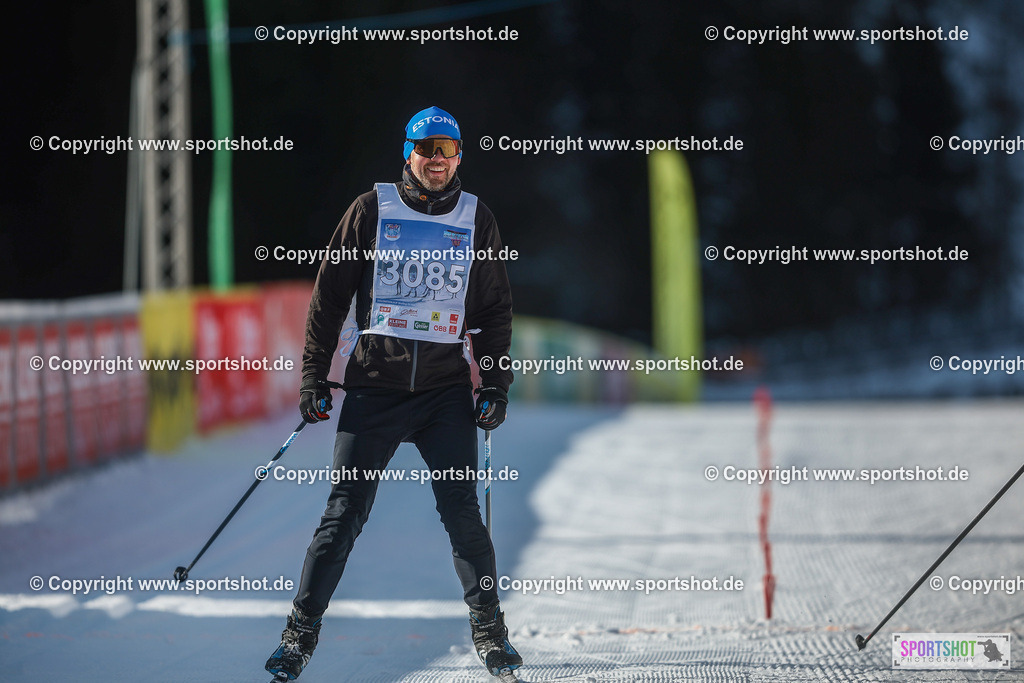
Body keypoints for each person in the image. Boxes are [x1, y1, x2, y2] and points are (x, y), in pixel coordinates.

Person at [266, 106, 521, 681]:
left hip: (443, 393)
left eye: (448, 151)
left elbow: (493, 312)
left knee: (461, 513)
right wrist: (314, 376)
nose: (437, 160)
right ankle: (297, 638)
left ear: (460, 157)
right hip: (374, 389)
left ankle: (491, 634)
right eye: (427, 149)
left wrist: (496, 384)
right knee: (344, 513)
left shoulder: (476, 217)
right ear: (407, 152)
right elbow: (329, 298)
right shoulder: (369, 211)